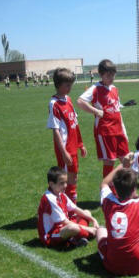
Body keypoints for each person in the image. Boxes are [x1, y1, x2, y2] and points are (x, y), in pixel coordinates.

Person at [77, 59, 131, 178]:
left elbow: (117, 110)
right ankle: (107, 190)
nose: (111, 77)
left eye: (113, 75)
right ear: (101, 75)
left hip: (119, 130)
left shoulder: (114, 89)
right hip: (105, 131)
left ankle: (128, 188)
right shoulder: (95, 88)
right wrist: (96, 111)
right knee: (110, 161)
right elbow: (80, 101)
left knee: (126, 160)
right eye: (108, 75)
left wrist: (124, 130)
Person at [47, 68, 86, 203]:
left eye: (71, 85)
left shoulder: (68, 99)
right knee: (65, 179)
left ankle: (69, 206)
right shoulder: (54, 104)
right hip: (65, 149)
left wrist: (80, 144)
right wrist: (63, 152)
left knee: (73, 177)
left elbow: (74, 124)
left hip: (73, 147)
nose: (70, 88)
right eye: (67, 85)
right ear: (58, 85)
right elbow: (55, 130)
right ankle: (60, 205)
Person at [37, 166, 99, 248]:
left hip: (63, 227)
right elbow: (65, 222)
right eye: (62, 183)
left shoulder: (60, 193)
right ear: (51, 184)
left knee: (86, 212)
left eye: (66, 182)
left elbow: (75, 209)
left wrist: (93, 220)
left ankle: (77, 237)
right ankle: (86, 234)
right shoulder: (49, 199)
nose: (65, 185)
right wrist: (88, 229)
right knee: (73, 227)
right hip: (51, 235)